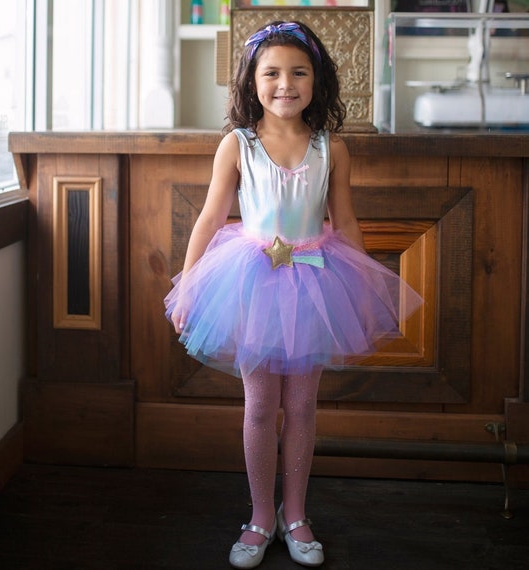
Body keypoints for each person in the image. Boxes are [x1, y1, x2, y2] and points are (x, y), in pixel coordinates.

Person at [164, 21, 422, 569]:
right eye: (272, 73)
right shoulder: (238, 144)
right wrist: (187, 283)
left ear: (318, 80)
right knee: (260, 405)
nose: (286, 84)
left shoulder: (332, 148)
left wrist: (366, 288)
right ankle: (260, 516)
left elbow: (345, 221)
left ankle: (296, 513)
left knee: (302, 404)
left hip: (315, 282)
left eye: (299, 72)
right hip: (252, 284)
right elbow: (211, 216)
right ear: (250, 82)